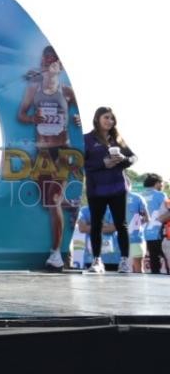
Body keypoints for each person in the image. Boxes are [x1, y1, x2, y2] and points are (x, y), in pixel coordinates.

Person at [16, 46, 79, 271]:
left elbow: (85, 115)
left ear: (60, 65)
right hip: (42, 150)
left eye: (53, 60)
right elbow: (21, 114)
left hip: (63, 149)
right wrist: (33, 118)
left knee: (52, 200)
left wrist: (79, 120)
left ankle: (56, 253)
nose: (48, 63)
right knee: (47, 201)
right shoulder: (33, 88)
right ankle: (70, 204)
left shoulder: (68, 91)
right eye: (46, 59)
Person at [81, 106, 137, 274]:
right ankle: (97, 261)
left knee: (121, 224)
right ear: (97, 118)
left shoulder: (117, 138)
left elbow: (134, 157)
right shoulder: (87, 139)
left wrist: (124, 159)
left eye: (112, 118)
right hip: (96, 189)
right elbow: (81, 163)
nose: (110, 121)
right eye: (106, 117)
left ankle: (124, 261)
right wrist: (102, 163)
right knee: (96, 225)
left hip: (117, 188)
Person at [137, 173, 168, 273]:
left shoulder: (139, 196)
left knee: (150, 261)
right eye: (162, 183)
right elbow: (167, 212)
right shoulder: (160, 195)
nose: (163, 185)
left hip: (141, 234)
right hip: (157, 233)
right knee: (162, 259)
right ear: (157, 183)